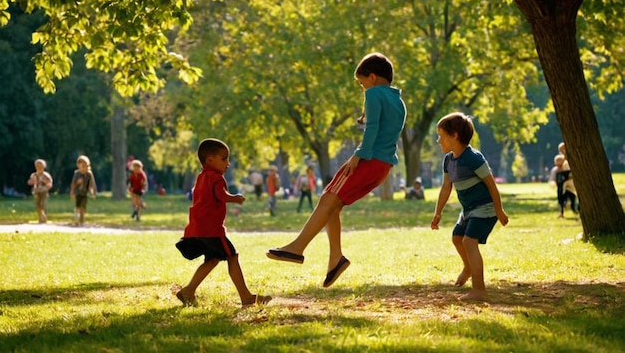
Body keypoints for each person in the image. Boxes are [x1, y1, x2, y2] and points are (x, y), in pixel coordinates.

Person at [266, 52, 407, 288]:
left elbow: (372, 129)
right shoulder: (398, 100)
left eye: (361, 83)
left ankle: (297, 248)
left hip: (369, 159)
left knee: (328, 199)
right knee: (332, 203)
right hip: (383, 166)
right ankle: (335, 259)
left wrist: (358, 155)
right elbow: (384, 129)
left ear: (372, 77)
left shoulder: (373, 93)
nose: (362, 88)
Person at [175, 138, 272, 308]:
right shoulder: (216, 178)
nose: (228, 163)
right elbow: (221, 194)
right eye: (224, 158)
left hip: (198, 227)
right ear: (210, 160)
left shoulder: (201, 177)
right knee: (232, 256)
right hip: (212, 230)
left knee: (212, 259)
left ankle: (188, 291)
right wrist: (234, 198)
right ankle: (246, 297)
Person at [430, 112, 509, 301]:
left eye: (441, 135)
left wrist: (499, 210)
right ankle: (468, 267)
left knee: (468, 242)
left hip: (485, 208)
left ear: (454, 136)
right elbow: (446, 187)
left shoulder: (473, 158)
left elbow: (491, 184)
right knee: (457, 237)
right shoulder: (448, 160)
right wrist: (437, 213)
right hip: (468, 210)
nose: (438, 140)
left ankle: (479, 290)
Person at [69, 155, 97, 226]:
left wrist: (93, 192)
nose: (84, 168)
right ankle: (77, 220)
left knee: (83, 208)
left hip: (85, 193)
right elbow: (73, 184)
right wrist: (72, 192)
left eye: (86, 166)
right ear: (78, 165)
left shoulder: (89, 174)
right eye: (83, 166)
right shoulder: (77, 174)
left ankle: (82, 221)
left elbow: (92, 184)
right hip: (78, 193)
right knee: (78, 206)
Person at [549, 153, 578, 218]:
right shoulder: (555, 170)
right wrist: (553, 183)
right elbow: (552, 179)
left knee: (572, 199)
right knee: (561, 200)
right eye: (557, 165)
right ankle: (561, 213)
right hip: (561, 187)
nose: (559, 166)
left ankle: (575, 210)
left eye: (560, 164)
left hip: (570, 187)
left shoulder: (568, 168)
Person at [27, 159, 53, 223]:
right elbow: (29, 182)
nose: (39, 168)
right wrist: (32, 181)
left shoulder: (46, 175)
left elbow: (50, 184)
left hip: (43, 191)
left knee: (42, 204)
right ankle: (40, 217)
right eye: (37, 166)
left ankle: (44, 216)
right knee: (37, 204)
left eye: (41, 166)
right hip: (36, 191)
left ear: (44, 167)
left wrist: (45, 182)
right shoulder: (33, 175)